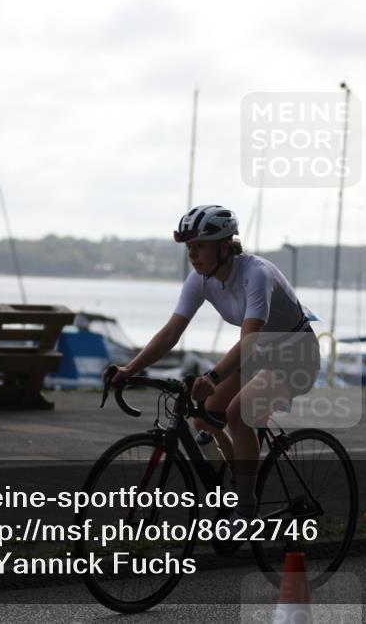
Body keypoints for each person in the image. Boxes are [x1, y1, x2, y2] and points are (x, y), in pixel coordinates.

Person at [104, 205, 320, 522]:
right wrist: (129, 370)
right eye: (189, 247)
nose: (193, 255)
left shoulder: (256, 274)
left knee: (238, 412)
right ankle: (236, 482)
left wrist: (213, 377)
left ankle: (245, 509)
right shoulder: (200, 280)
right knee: (204, 415)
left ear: (224, 245)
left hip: (297, 354)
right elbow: (170, 333)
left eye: (200, 246)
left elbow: (250, 339)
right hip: (260, 353)